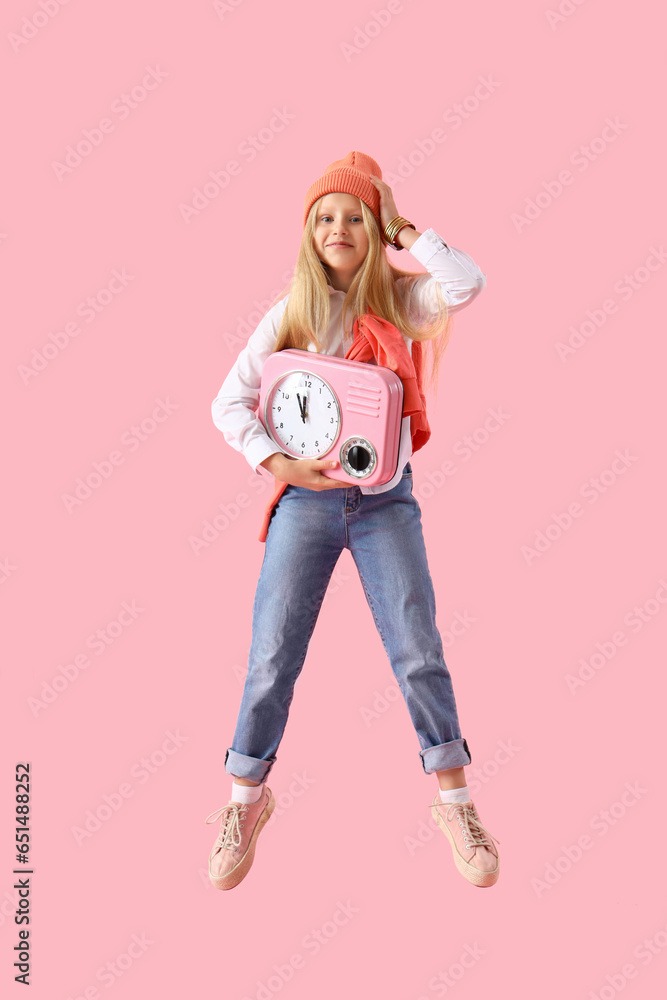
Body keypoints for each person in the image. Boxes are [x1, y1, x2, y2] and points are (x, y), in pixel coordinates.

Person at [204, 151, 500, 891]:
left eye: (354, 217)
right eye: (324, 216)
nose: (337, 227)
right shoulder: (293, 311)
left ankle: (456, 804)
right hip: (306, 500)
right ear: (308, 232)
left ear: (373, 230)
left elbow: (467, 282)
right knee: (272, 652)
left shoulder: (402, 305)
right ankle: (244, 801)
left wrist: (404, 226)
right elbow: (226, 402)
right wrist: (276, 463)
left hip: (383, 503)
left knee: (416, 650)